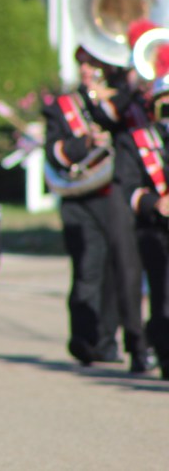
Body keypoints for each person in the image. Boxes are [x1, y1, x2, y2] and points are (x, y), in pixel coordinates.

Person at [43, 45, 125, 367]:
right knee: (88, 267)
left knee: (116, 267)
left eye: (95, 64)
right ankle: (84, 339)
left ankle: (107, 341)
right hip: (80, 198)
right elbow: (55, 152)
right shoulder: (62, 107)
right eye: (84, 64)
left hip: (113, 194)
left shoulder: (118, 103)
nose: (88, 70)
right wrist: (85, 143)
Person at [113, 44, 169, 380]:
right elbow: (127, 186)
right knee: (163, 296)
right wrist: (154, 203)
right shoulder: (136, 141)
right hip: (155, 228)